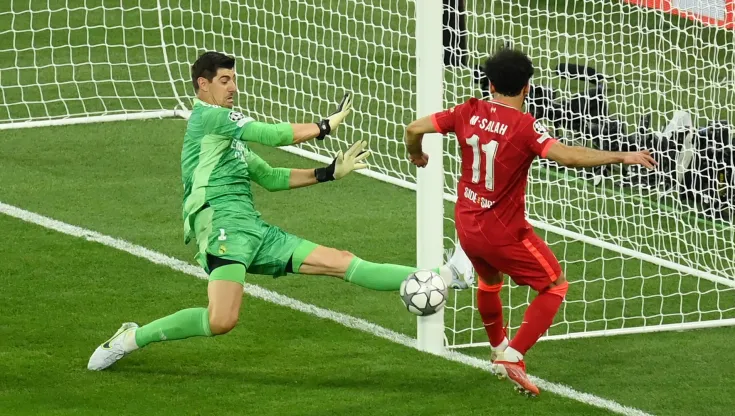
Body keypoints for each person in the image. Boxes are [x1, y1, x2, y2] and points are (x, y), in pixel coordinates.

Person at [87, 51, 473, 371]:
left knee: (340, 261)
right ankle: (130, 337)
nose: (233, 88)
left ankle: (447, 274)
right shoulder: (209, 118)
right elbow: (270, 135)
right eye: (224, 80)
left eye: (234, 79)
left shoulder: (228, 140)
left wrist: (328, 173)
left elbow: (270, 176)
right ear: (202, 84)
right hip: (221, 228)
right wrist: (323, 127)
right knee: (222, 320)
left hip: (254, 231)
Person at [404, 48, 657, 396]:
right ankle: (514, 355)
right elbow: (567, 156)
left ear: (490, 84)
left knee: (489, 282)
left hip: (467, 222)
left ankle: (497, 350)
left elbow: (414, 127)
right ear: (526, 88)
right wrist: (620, 155)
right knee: (555, 285)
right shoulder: (524, 127)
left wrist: (416, 154)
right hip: (503, 231)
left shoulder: (467, 111)